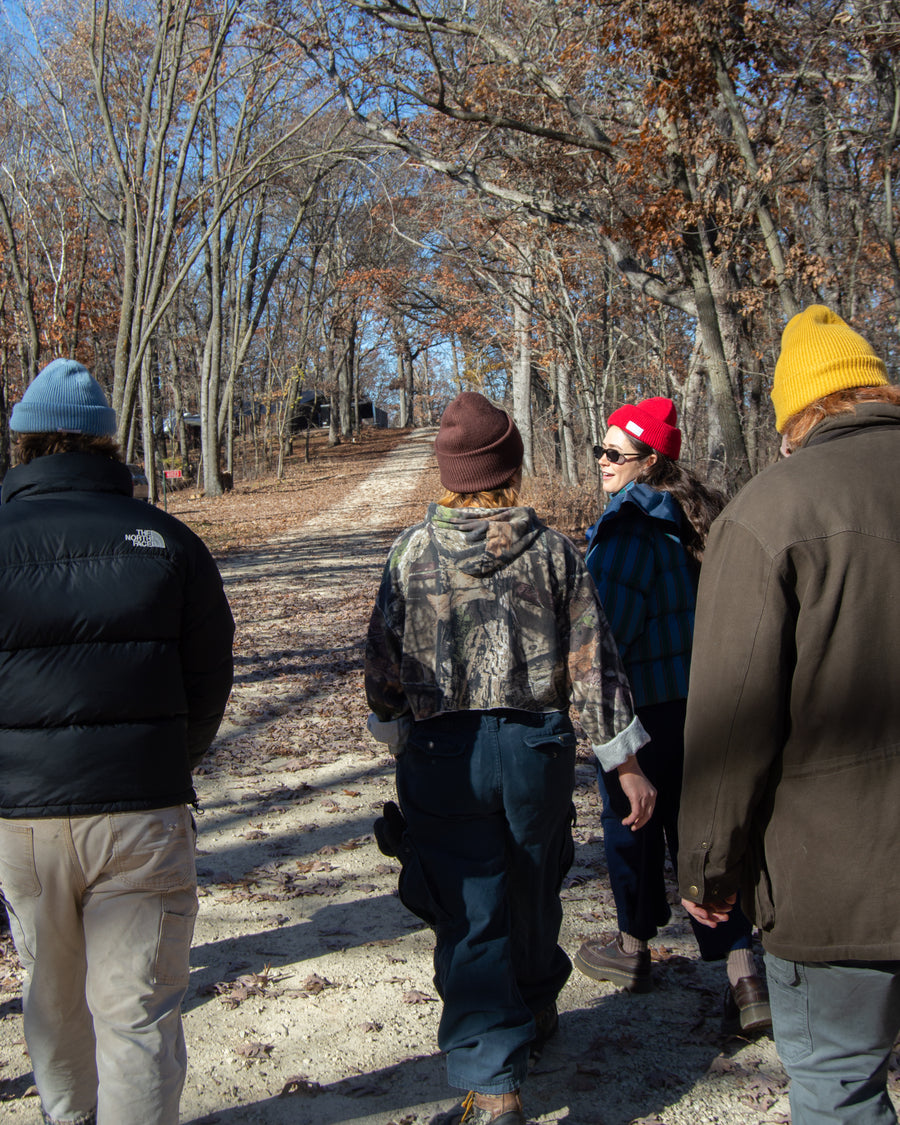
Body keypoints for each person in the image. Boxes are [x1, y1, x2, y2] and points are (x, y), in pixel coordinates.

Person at [364, 392, 656, 1125]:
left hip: (443, 755)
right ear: (512, 468)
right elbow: (594, 663)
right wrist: (625, 762)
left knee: (468, 907)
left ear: (449, 472)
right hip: (536, 750)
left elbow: (383, 665)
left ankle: (495, 1078)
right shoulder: (556, 552)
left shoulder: (412, 552)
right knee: (533, 883)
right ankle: (532, 1009)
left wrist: (393, 722)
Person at [678, 305, 900, 1124]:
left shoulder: (769, 514)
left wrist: (707, 865)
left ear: (796, 416)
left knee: (840, 1089)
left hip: (832, 883)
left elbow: (733, 715)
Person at [0, 359, 235, 1125]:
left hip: (21, 819)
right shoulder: (166, 539)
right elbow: (210, 675)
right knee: (136, 1012)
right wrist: (171, 760)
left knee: (52, 999)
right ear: (107, 444)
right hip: (142, 812)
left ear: (24, 444)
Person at [573, 397, 771, 1033]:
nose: (602, 461)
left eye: (615, 453)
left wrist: (588, 705)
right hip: (705, 703)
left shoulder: (631, 525)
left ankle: (632, 952)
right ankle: (745, 979)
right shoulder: (698, 517)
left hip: (643, 710)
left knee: (632, 823)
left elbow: (606, 633)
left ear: (649, 460)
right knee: (704, 837)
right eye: (600, 450)